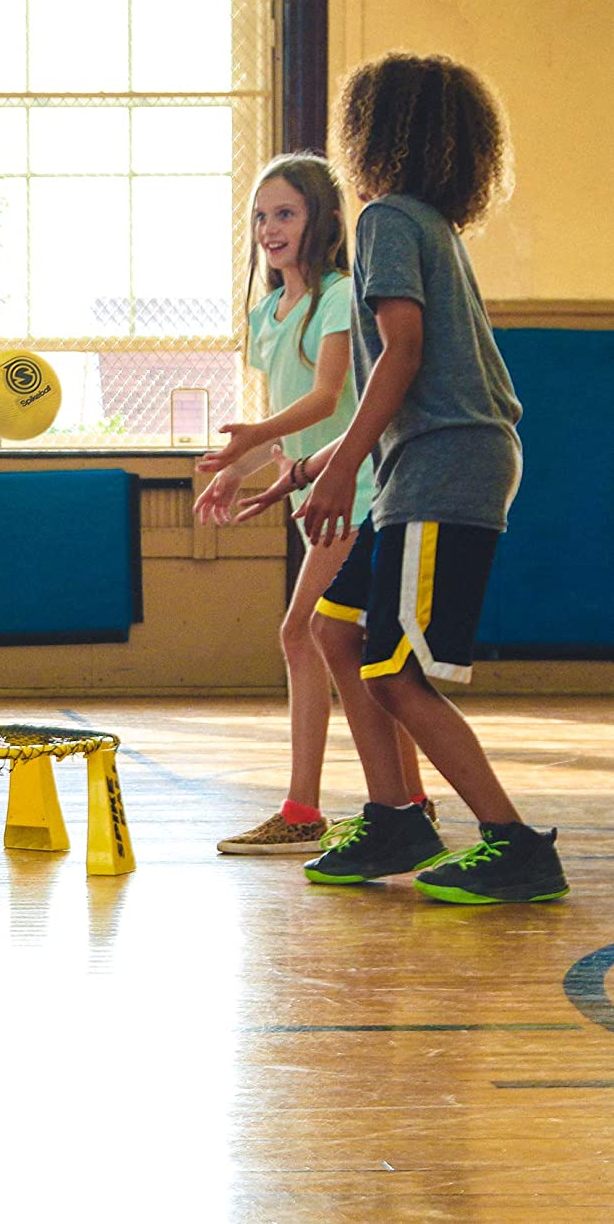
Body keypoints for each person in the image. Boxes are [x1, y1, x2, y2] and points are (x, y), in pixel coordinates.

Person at [239, 52, 568, 904]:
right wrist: (311, 465)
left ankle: (515, 842)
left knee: (391, 669)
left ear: (374, 132)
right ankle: (396, 815)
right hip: (417, 468)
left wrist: (341, 469)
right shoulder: (426, 222)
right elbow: (405, 375)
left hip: (445, 467)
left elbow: (406, 355)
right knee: (333, 631)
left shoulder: (387, 217)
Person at [196, 154, 429, 855]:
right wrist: (237, 467)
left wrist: (259, 444)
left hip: (359, 491)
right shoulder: (268, 311)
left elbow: (328, 397)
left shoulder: (338, 296)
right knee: (343, 648)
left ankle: (309, 809)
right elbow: (288, 420)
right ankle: (407, 802)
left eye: (286, 213)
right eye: (261, 215)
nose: (270, 227)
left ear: (322, 220)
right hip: (317, 494)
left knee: (304, 633)